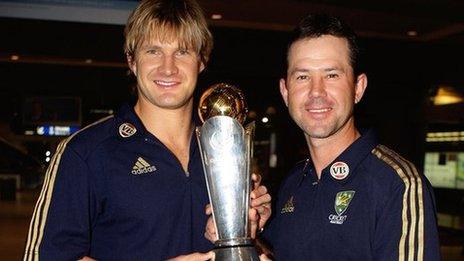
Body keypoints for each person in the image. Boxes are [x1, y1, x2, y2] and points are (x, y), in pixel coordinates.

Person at [23, 0, 270, 260]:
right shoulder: (86, 152)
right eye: (153, 51)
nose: (168, 67)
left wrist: (250, 233)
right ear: (131, 60)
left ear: (202, 61)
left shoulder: (224, 149)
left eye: (182, 51)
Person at [261, 14, 440, 260]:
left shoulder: (398, 185)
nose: (316, 91)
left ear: (358, 87)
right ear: (285, 91)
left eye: (332, 75)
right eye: (302, 76)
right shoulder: (293, 183)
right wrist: (249, 234)